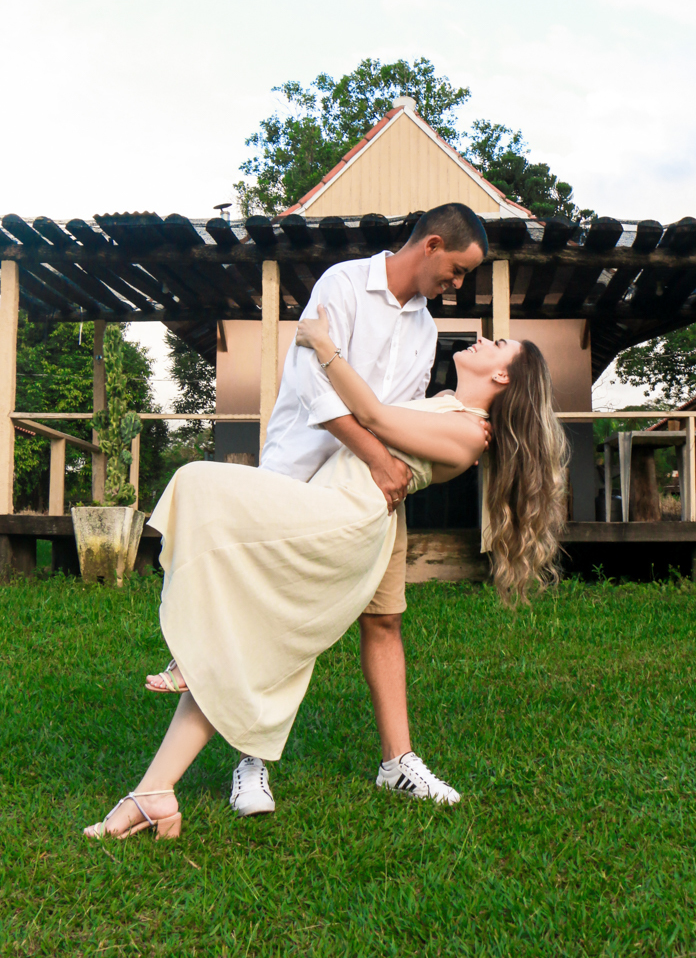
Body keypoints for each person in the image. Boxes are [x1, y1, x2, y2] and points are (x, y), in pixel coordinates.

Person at [84, 311, 568, 840]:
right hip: (330, 506)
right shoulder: (447, 407)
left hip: (341, 520)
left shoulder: (469, 433)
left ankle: (194, 656)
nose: (479, 339)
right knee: (243, 636)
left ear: (502, 377)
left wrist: (322, 344)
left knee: (197, 483)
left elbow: (374, 417)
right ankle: (155, 792)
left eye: (496, 343)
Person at [147, 203, 490, 814]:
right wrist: (382, 461)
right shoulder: (344, 285)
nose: (458, 285)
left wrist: (390, 472)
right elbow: (317, 391)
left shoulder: (426, 329)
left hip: (377, 497)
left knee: (384, 618)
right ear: (433, 245)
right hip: (303, 476)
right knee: (274, 618)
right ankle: (249, 762)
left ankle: (398, 762)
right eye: (459, 271)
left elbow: (400, 419)